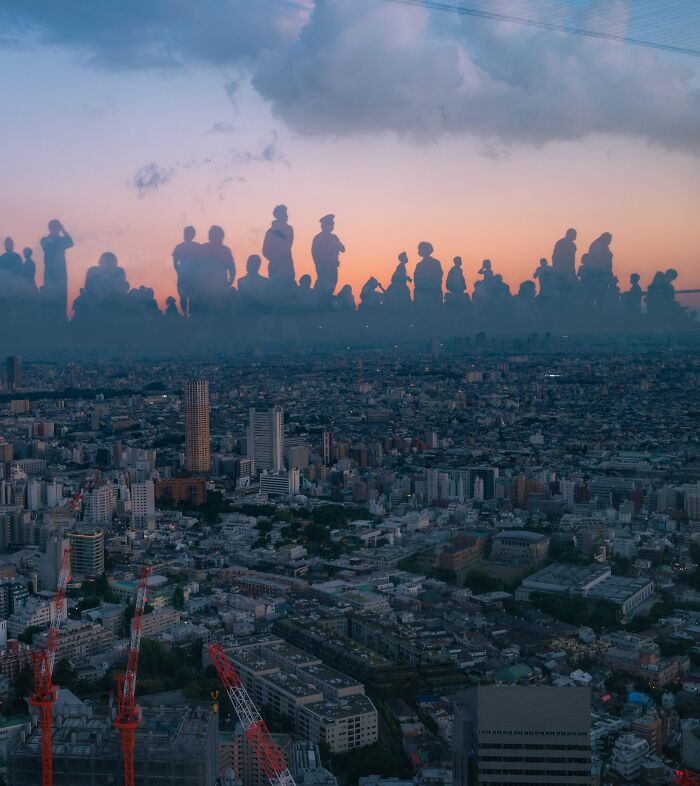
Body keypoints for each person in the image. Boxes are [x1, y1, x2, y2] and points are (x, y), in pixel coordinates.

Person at [192, 225, 235, 314]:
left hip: (217, 289)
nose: (215, 238)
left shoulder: (225, 250)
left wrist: (230, 281)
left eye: (217, 236)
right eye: (213, 235)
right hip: (204, 289)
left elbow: (232, 268)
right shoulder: (203, 248)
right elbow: (195, 266)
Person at [40, 219, 73, 322]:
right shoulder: (45, 240)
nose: (55, 229)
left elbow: (71, 243)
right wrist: (61, 239)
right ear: (49, 228)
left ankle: (61, 319)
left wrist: (63, 229)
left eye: (57, 227)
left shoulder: (60, 239)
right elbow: (54, 246)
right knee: (49, 296)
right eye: (54, 226)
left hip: (61, 272)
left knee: (62, 295)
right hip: (50, 273)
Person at [263, 204, 295, 292]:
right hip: (278, 266)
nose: (287, 215)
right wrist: (275, 257)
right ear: (279, 215)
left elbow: (288, 244)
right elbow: (265, 251)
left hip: (285, 265)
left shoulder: (288, 229)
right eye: (284, 213)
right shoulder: (271, 232)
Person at [312, 214, 345, 297]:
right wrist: (318, 265)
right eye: (331, 224)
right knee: (323, 285)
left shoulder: (334, 237)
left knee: (332, 283)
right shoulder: (318, 238)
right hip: (323, 266)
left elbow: (343, 249)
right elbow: (314, 253)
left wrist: (336, 244)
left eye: (332, 224)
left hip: (333, 266)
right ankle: (319, 300)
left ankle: (326, 300)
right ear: (325, 225)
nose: (332, 225)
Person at [172, 226, 199, 316]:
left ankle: (187, 315)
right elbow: (175, 263)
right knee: (186, 297)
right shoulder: (197, 247)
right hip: (187, 276)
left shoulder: (180, 247)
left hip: (188, 276)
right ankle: (187, 314)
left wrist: (179, 271)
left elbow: (175, 263)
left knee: (187, 297)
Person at [413, 242, 443, 307]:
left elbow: (438, 278)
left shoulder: (435, 263)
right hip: (422, 293)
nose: (418, 251)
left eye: (420, 249)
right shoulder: (419, 265)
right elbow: (416, 280)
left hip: (432, 294)